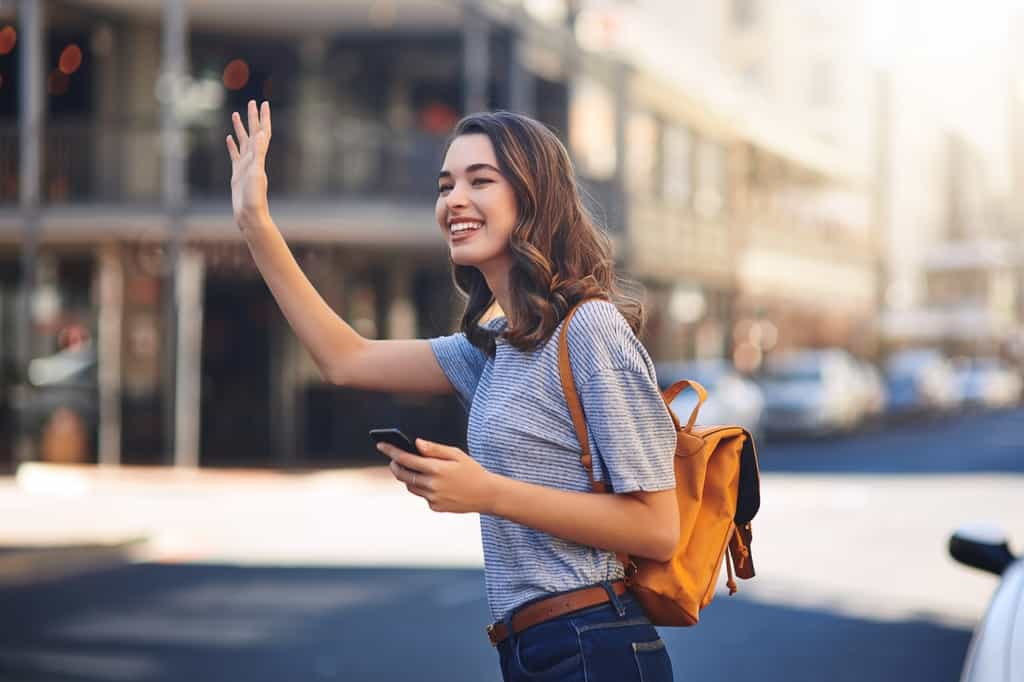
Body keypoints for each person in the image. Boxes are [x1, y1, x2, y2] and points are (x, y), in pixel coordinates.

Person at [226, 100, 679, 681]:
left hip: (593, 642)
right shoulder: (497, 346)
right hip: (533, 648)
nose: (453, 200)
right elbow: (345, 357)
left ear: (533, 198)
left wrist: (487, 491)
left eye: (480, 181)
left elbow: (658, 529)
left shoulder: (590, 330)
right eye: (445, 185)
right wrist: (255, 223)